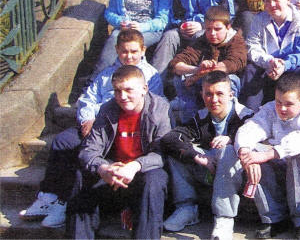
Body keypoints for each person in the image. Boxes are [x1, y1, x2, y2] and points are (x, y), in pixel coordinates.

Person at [19, 30, 163, 228]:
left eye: (133, 51)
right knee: (63, 141)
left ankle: (66, 202)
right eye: (124, 52)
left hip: (120, 127)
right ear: (116, 51)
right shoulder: (105, 74)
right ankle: (50, 197)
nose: (128, 56)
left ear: (143, 51)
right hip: (96, 123)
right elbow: (88, 99)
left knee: (90, 159)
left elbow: (148, 105)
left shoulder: (150, 75)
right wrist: (88, 119)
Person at [66, 65, 172, 239]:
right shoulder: (108, 109)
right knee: (81, 175)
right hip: (114, 175)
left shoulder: (160, 109)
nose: (122, 97)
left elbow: (163, 153)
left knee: (154, 179)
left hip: (143, 175)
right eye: (117, 91)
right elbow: (89, 150)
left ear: (144, 89)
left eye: (129, 90)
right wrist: (103, 168)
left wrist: (134, 166)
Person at [235, 72, 300, 240]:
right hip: (283, 164)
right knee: (253, 153)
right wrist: (245, 152)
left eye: (288, 104)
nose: (282, 108)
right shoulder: (271, 108)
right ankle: (274, 218)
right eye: (279, 102)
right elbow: (251, 127)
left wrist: (269, 153)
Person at [160, 71, 254, 238]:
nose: (214, 99)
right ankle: (187, 208)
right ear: (202, 95)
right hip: (211, 166)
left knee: (227, 150)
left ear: (231, 94)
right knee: (177, 150)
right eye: (208, 94)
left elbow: (256, 138)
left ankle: (224, 217)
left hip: (238, 174)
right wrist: (197, 157)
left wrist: (232, 139)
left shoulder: (245, 115)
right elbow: (171, 138)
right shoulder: (201, 116)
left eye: (220, 94)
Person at [240, 0, 300, 111]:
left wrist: (284, 65)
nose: (272, 5)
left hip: (290, 69)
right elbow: (252, 47)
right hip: (268, 67)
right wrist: (269, 61)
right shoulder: (259, 20)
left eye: (276, 0)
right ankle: (248, 114)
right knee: (251, 69)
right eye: (267, 1)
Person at [168, 6, 247, 124]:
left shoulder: (235, 40)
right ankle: (191, 124)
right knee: (179, 78)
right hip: (203, 82)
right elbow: (177, 63)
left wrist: (202, 73)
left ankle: (227, 124)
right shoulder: (202, 40)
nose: (212, 34)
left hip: (225, 85)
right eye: (208, 29)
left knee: (231, 80)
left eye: (217, 29)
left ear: (228, 27)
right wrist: (197, 69)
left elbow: (235, 62)